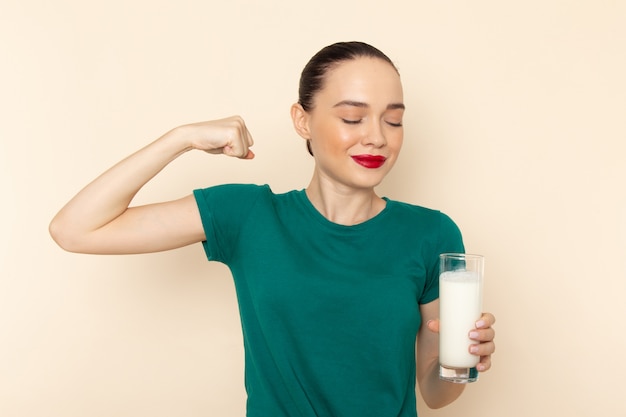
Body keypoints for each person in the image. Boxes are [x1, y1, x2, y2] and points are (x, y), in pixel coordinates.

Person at [50, 41, 495, 417]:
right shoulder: (248, 215)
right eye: (353, 118)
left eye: (393, 120)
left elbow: (437, 394)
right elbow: (74, 230)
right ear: (303, 120)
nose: (377, 137)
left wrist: (461, 361)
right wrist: (180, 137)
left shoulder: (431, 234)